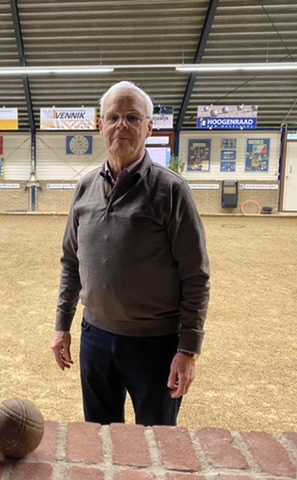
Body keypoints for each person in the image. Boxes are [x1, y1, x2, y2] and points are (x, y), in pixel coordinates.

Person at [50, 81, 210, 426]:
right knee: (100, 438)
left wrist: (188, 350)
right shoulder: (85, 187)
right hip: (95, 340)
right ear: (100, 125)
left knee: (155, 444)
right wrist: (62, 326)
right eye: (114, 117)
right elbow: (71, 262)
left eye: (133, 117)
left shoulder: (171, 191)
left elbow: (195, 275)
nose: (122, 125)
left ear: (149, 127)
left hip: (155, 346)